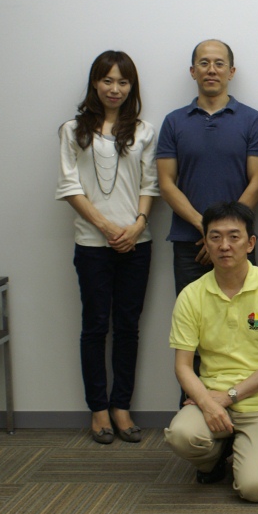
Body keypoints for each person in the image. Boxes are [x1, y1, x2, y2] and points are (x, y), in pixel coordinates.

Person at [56, 50, 159, 444]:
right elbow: (69, 185)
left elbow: (150, 184)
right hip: (92, 244)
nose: (115, 89)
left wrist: (137, 225)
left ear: (132, 86)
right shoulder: (72, 130)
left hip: (136, 243)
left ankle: (121, 407)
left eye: (123, 82)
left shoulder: (144, 131)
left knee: (128, 327)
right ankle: (98, 409)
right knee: (95, 326)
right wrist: (104, 226)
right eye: (107, 80)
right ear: (95, 83)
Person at [163, 202, 258, 502]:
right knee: (181, 436)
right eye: (215, 237)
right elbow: (183, 366)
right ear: (206, 243)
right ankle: (215, 456)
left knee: (255, 488)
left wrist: (229, 396)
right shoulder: (192, 295)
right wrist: (207, 402)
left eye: (234, 237)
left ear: (250, 243)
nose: (224, 245)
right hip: (212, 398)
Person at [157, 39, 258, 295]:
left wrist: (224, 235)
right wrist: (207, 230)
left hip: (239, 241)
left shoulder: (252, 120)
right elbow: (166, 184)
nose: (211, 70)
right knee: (191, 315)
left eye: (219, 64)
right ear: (192, 71)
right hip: (190, 242)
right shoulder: (173, 122)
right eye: (204, 63)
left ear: (231, 71)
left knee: (244, 313)